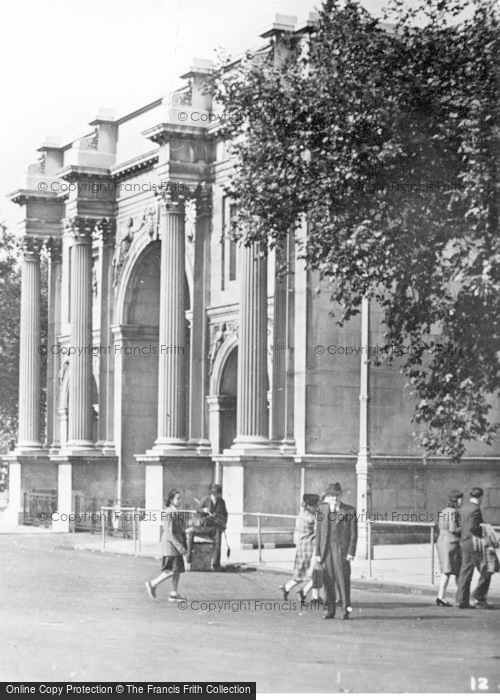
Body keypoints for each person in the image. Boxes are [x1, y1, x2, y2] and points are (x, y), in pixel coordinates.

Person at [315, 482, 357, 620]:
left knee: (343, 581)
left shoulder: (349, 511)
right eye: (332, 495)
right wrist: (317, 553)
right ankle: (330, 610)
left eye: (337, 495)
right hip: (326, 550)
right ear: (328, 496)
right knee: (328, 581)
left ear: (341, 495)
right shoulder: (322, 510)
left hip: (341, 550)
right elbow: (319, 533)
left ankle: (345, 610)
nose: (334, 498)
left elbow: (353, 534)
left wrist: (351, 552)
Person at [145, 489, 187, 601]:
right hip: (170, 545)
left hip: (176, 544)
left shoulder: (175, 511)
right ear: (171, 500)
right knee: (172, 570)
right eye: (178, 498)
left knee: (177, 569)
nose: (180, 500)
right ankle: (153, 584)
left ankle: (174, 593)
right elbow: (169, 533)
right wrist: (181, 547)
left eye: (180, 498)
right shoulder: (169, 512)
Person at [279, 494, 321, 603]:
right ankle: (310, 594)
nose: (318, 507)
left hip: (303, 546)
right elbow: (319, 532)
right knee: (316, 572)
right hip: (310, 547)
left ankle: (288, 587)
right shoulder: (312, 518)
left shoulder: (303, 514)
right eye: (316, 505)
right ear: (310, 506)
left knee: (303, 572)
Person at [455, 487, 492, 609]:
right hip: (474, 543)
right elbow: (473, 527)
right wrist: (483, 531)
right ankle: (479, 598)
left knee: (465, 571)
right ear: (480, 497)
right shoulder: (475, 509)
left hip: (464, 542)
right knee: (487, 569)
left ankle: (461, 600)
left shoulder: (463, 508)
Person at [189, 484, 228, 570]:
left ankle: (216, 564)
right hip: (206, 526)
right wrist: (203, 510)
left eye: (217, 494)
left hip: (216, 526)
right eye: (214, 494)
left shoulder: (222, 502)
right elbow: (197, 509)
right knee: (203, 543)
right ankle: (199, 561)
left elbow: (225, 514)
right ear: (212, 493)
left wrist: (223, 523)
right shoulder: (205, 500)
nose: (215, 496)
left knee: (218, 544)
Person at [436, 489, 463, 606]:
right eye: (461, 499)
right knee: (457, 571)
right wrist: (464, 529)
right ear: (456, 500)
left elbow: (439, 526)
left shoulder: (443, 511)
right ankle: (460, 597)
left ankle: (440, 596)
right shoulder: (453, 512)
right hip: (451, 542)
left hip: (441, 540)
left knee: (445, 570)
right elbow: (453, 529)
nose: (462, 501)